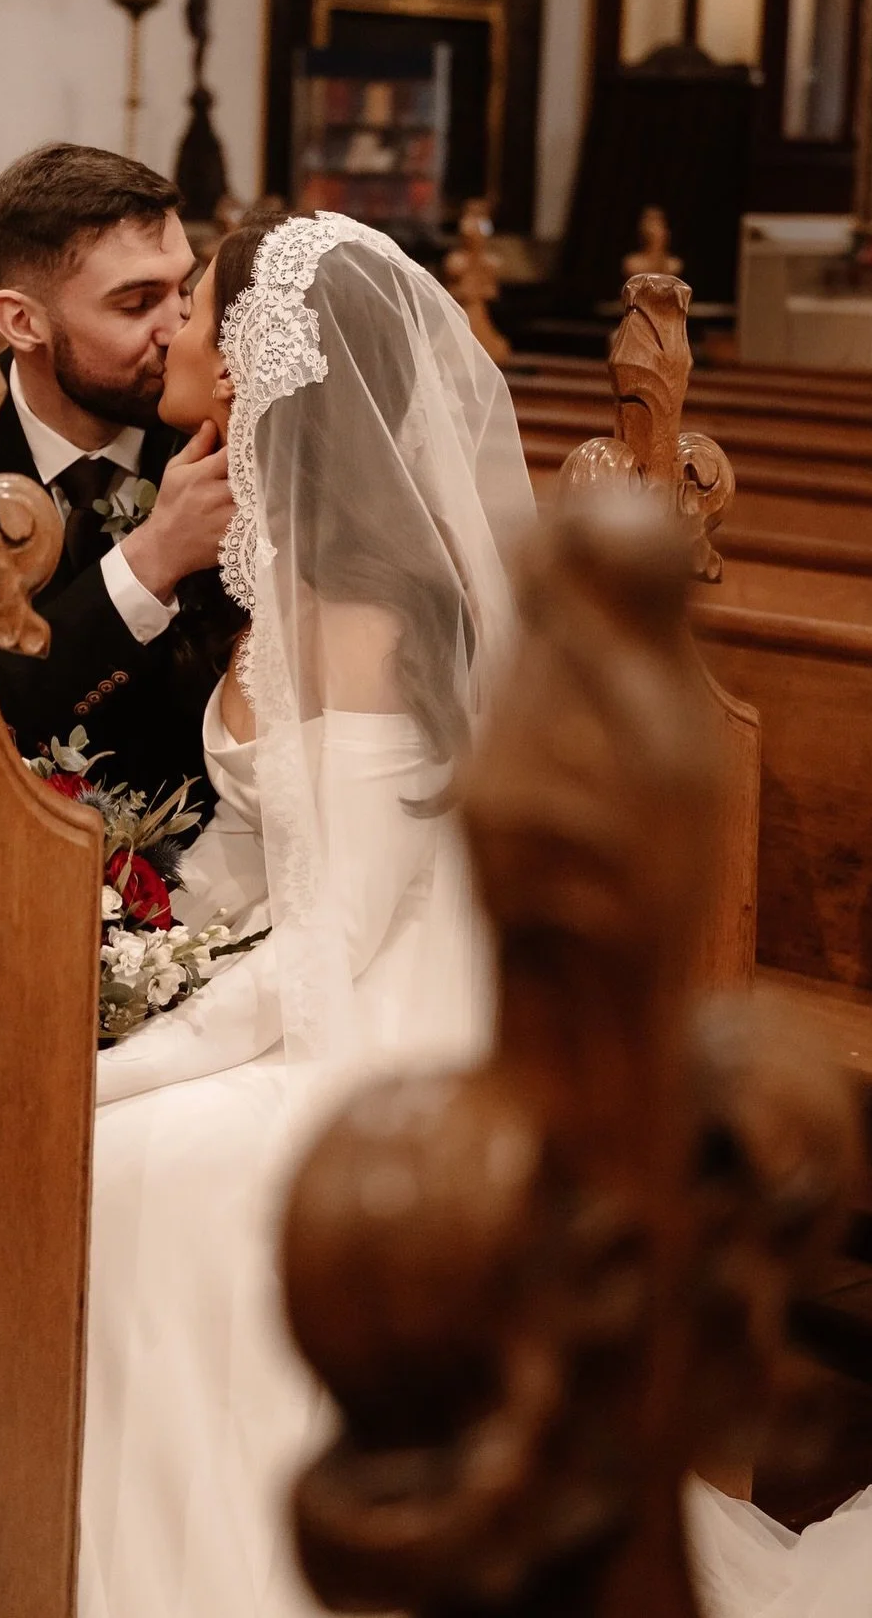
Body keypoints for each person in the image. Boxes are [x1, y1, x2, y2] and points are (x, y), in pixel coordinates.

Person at [80, 209, 535, 1615]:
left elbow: (337, 928)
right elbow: (247, 872)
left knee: (128, 1166)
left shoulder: (366, 615)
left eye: (198, 314)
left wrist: (124, 1057)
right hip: (292, 977)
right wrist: (121, 966)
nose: (174, 335)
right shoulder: (287, 578)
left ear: (268, 364)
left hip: (389, 1026)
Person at [0, 141, 236, 802]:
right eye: (135, 302)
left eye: (183, 289)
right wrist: (155, 556)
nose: (175, 330)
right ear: (22, 321)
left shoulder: (212, 428)